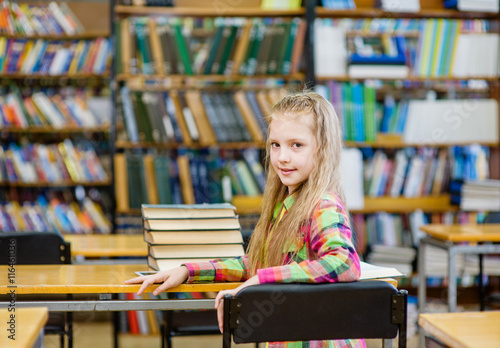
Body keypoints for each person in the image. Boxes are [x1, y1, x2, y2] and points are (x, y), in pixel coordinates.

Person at [125, 91, 364, 347]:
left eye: (297, 145)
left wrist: (262, 278)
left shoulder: (322, 204)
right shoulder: (286, 204)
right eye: (275, 144)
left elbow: (344, 263)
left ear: (323, 149)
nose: (282, 157)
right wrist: (187, 271)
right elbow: (261, 263)